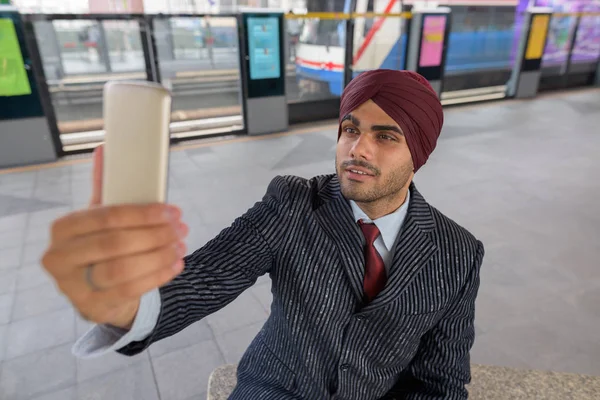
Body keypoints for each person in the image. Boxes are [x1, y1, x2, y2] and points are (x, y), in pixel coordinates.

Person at [42, 69, 484, 400]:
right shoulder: (293, 204)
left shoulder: (458, 252)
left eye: (385, 136)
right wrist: (127, 306)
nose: (357, 149)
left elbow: (440, 380)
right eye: (350, 129)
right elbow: (207, 277)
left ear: (419, 154)